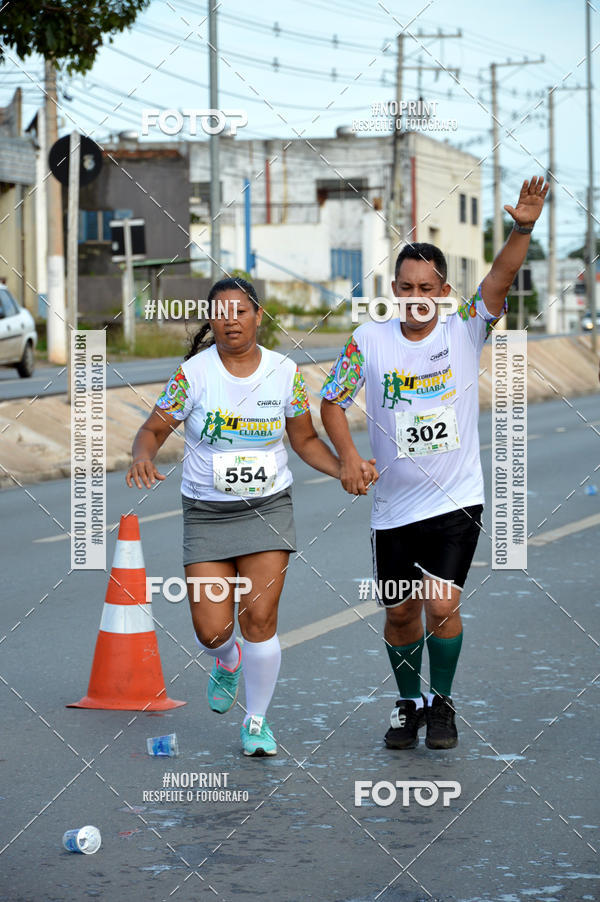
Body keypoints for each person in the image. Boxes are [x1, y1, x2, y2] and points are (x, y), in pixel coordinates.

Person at [321, 177, 549, 751]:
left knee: (442, 605)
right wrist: (348, 455)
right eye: (405, 287)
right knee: (401, 616)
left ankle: (442, 704)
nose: (416, 296)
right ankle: (408, 704)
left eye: (427, 286)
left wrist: (521, 228)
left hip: (455, 499)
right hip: (393, 508)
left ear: (444, 290)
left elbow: (500, 277)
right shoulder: (366, 341)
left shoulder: (464, 326)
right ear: (393, 289)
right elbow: (330, 401)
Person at [126, 277, 376, 757]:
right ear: (212, 319)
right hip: (206, 513)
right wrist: (143, 455)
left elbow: (303, 440)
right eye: (220, 312)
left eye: (240, 311)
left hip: (267, 510)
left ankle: (256, 722)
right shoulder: (193, 375)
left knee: (259, 617)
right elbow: (152, 430)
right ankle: (227, 659)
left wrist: (344, 467)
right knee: (213, 631)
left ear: (258, 316)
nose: (230, 320)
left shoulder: (284, 373)